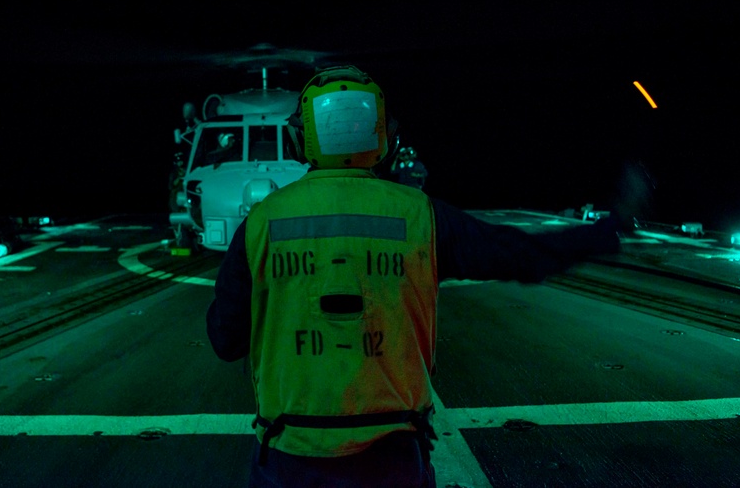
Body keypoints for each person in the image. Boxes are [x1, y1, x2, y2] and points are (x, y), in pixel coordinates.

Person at [206, 65, 648, 488]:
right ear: (384, 137)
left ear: (302, 139)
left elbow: (224, 339)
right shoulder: (421, 216)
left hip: (289, 459)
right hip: (393, 458)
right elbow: (523, 254)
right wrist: (607, 230)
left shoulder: (262, 222)